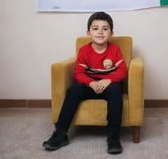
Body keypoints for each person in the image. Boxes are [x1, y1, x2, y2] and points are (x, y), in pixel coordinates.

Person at [43, 12, 128, 154]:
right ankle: (60, 133)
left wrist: (108, 80)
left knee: (115, 90)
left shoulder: (115, 50)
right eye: (95, 28)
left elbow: (122, 71)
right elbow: (79, 73)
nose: (100, 32)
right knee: (74, 90)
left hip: (109, 86)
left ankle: (113, 136)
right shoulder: (84, 51)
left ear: (111, 33)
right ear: (88, 33)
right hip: (90, 86)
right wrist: (91, 83)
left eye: (105, 29)